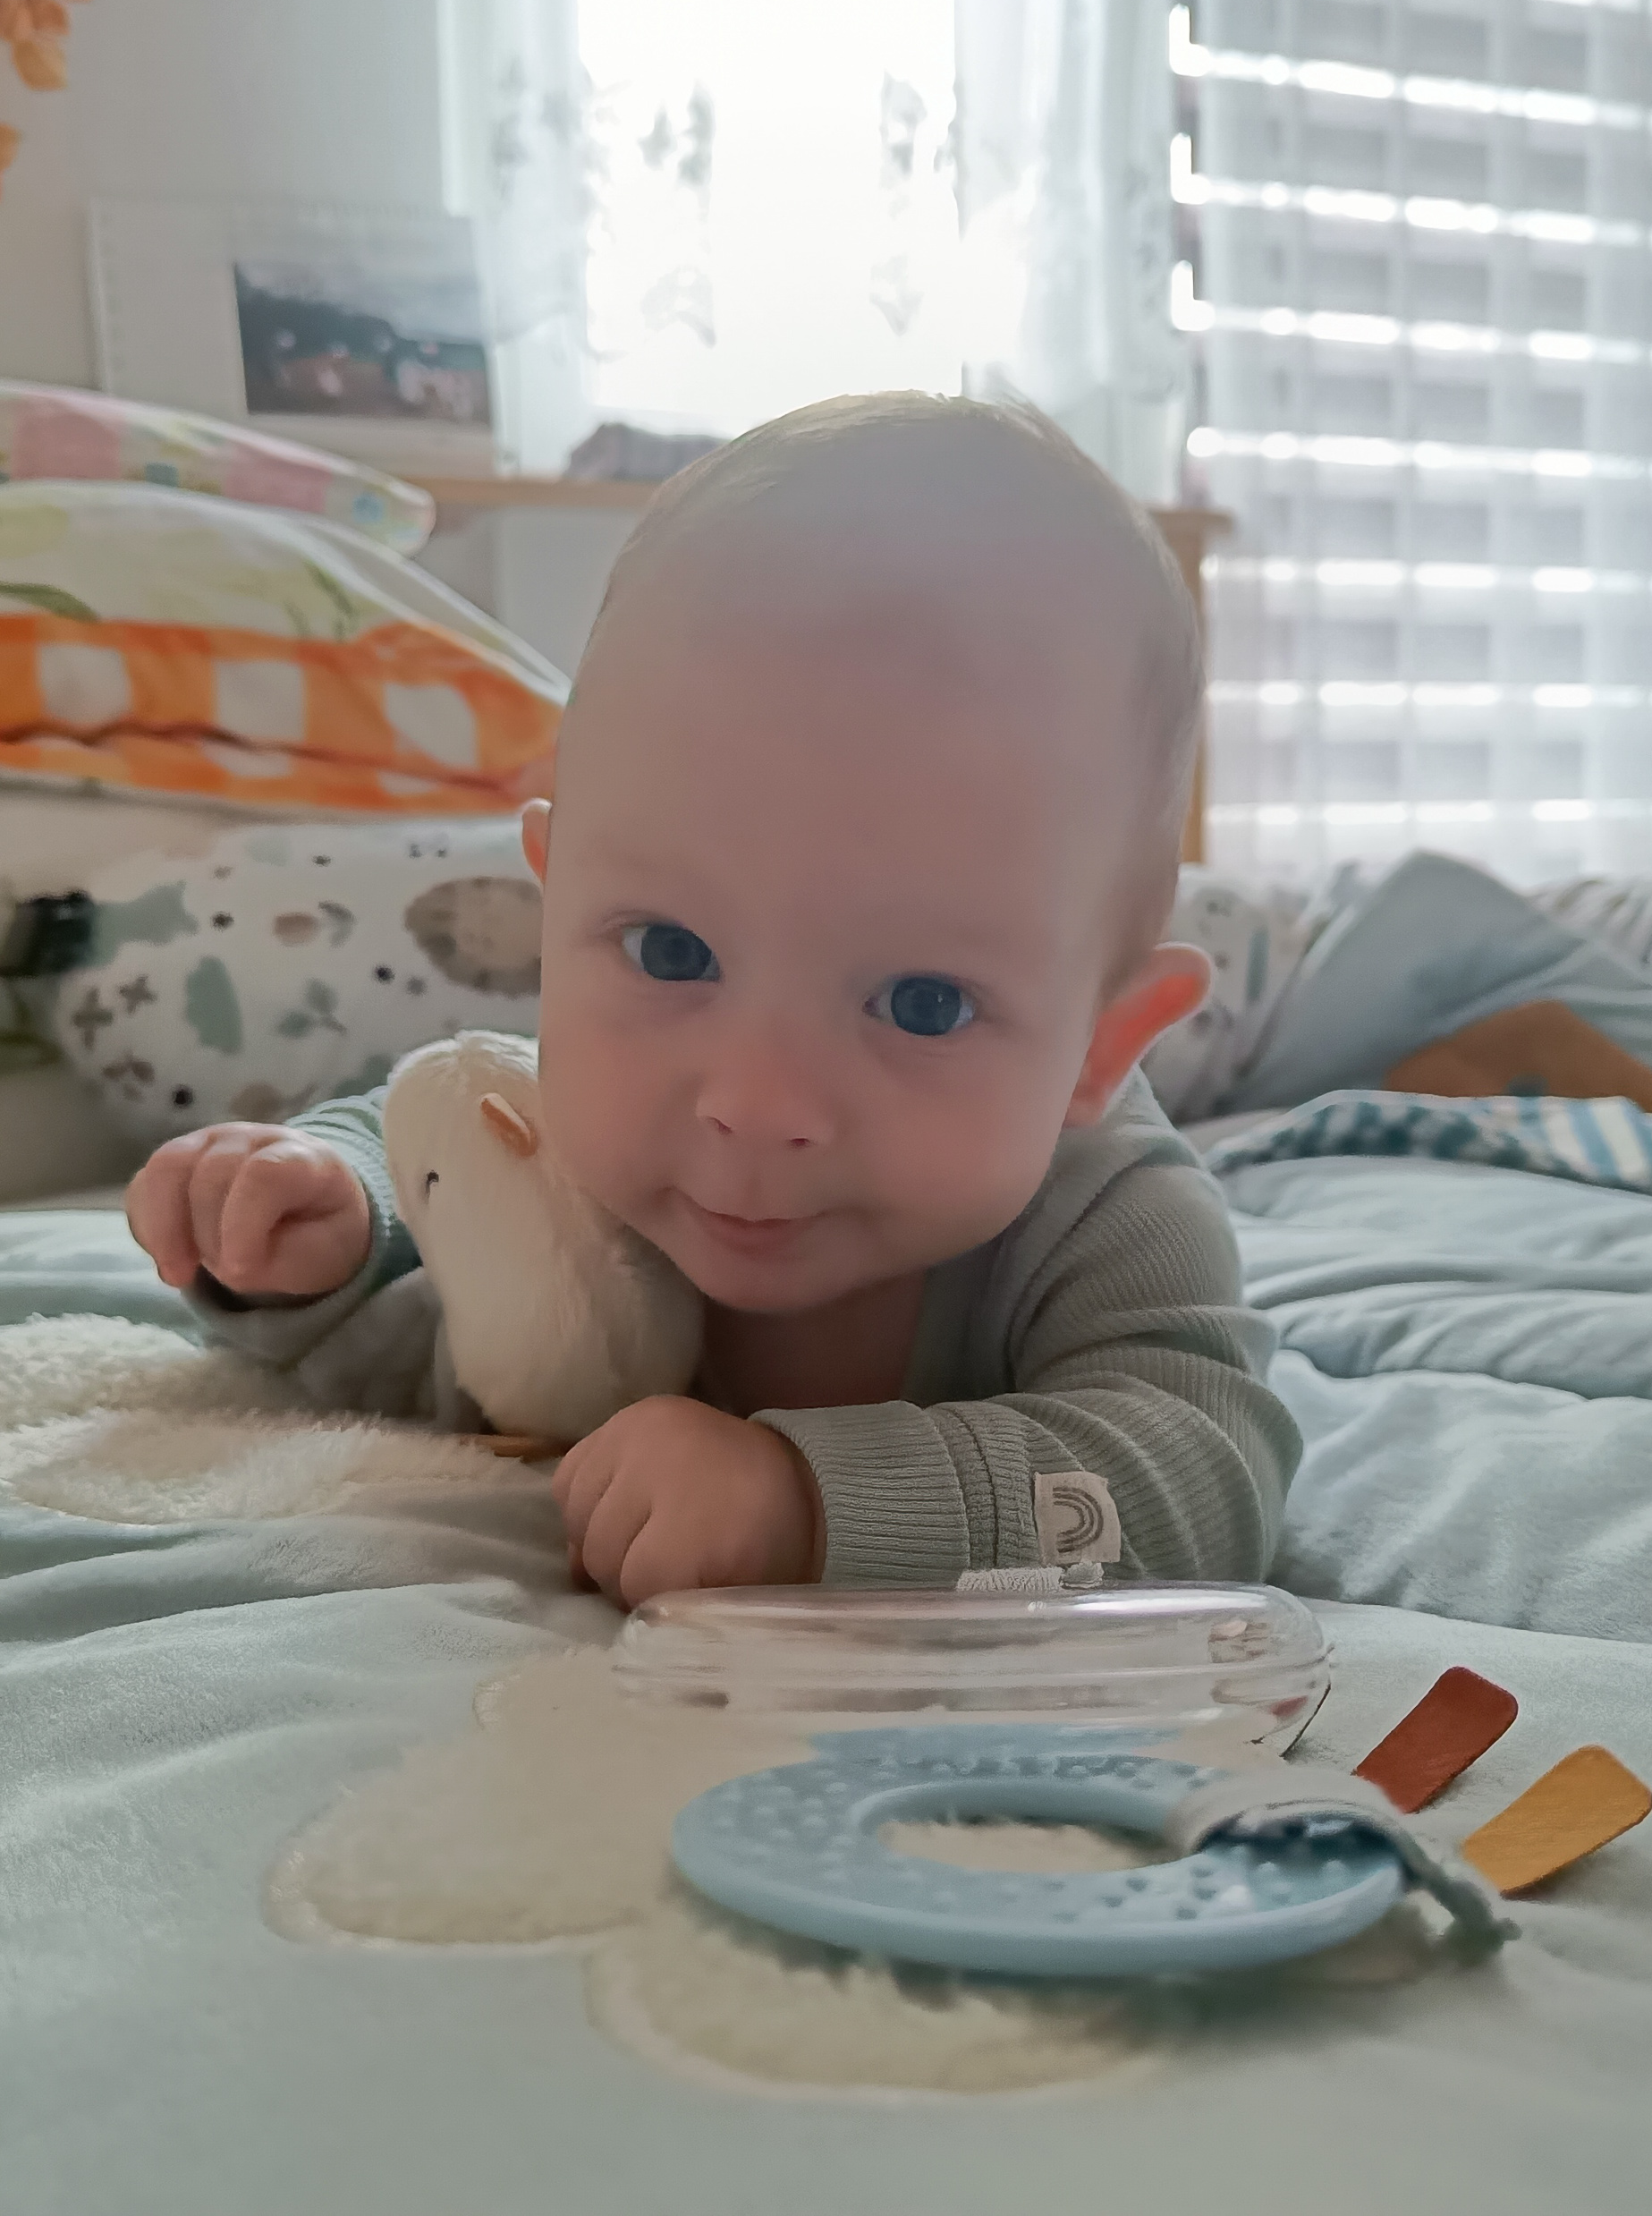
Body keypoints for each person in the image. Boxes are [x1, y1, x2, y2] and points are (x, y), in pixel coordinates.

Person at [126, 392, 1300, 1609]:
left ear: (1103, 1044)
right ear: (555, 906)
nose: (754, 1102)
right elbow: (426, 1140)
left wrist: (807, 1502)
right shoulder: (585, 1106)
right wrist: (321, 1218)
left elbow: (1203, 1485)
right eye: (671, 952)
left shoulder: (1107, 1215)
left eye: (923, 1005)